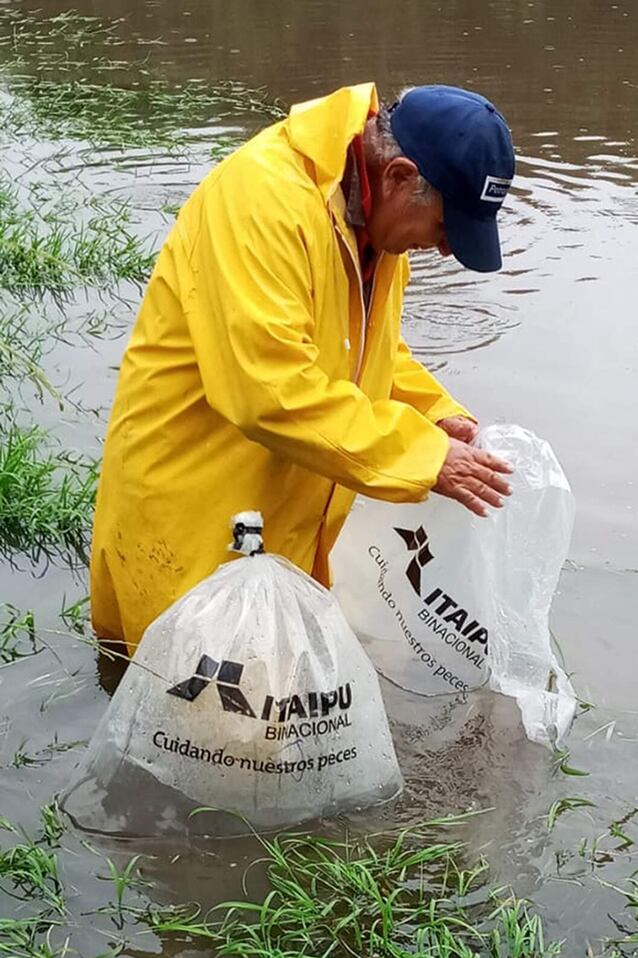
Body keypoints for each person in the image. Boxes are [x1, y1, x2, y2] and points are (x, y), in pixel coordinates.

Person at [90, 83, 516, 651]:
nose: (443, 249)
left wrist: (435, 414)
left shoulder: (376, 222)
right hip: (193, 518)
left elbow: (364, 347)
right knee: (171, 690)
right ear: (398, 177)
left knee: (269, 691)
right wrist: (423, 457)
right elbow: (269, 389)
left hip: (275, 525)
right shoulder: (264, 202)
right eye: (443, 228)